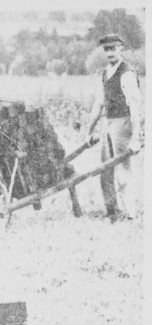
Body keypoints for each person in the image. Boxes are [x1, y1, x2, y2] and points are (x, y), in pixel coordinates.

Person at [85, 33, 141, 221]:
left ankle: (130, 213)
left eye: (113, 48)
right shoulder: (104, 73)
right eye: (106, 49)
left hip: (123, 123)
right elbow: (99, 104)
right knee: (105, 169)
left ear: (121, 49)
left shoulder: (126, 73)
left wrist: (136, 138)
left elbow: (135, 106)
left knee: (123, 170)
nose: (110, 52)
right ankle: (112, 211)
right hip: (107, 124)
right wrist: (89, 130)